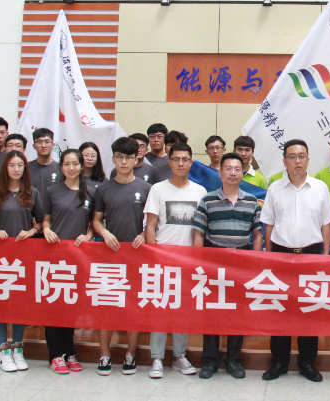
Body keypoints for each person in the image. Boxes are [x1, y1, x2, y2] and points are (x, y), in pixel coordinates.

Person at [260, 139, 330, 383]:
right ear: (285, 161)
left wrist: (325, 256)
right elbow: (268, 224)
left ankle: (307, 363)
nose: (297, 161)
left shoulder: (320, 187)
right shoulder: (274, 188)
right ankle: (279, 362)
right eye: (292, 156)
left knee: (309, 310)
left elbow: (326, 224)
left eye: (302, 156)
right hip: (281, 254)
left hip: (311, 254)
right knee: (279, 310)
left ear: (308, 160)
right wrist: (269, 255)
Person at [192, 153, 262, 379]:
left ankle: (233, 360)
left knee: (238, 314)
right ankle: (210, 361)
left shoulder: (252, 201)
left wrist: (255, 263)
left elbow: (257, 234)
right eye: (228, 169)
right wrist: (198, 264)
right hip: (213, 263)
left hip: (241, 263)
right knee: (211, 314)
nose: (233, 173)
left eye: (237, 169)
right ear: (220, 172)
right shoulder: (207, 200)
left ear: (243, 173)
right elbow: (199, 234)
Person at [0, 151, 44, 373]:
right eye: (12, 165)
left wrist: (32, 231)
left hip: (23, 257)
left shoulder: (32, 193)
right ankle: (3, 350)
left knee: (19, 303)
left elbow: (42, 222)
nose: (16, 169)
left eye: (20, 165)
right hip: (0, 258)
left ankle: (18, 347)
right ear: (5, 168)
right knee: (0, 302)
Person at [143, 142, 205, 379]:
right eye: (176, 159)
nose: (181, 163)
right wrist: (154, 256)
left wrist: (196, 260)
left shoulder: (199, 192)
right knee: (160, 309)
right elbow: (150, 227)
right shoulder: (158, 189)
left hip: (188, 262)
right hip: (162, 261)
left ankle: (179, 356)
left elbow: (200, 230)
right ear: (169, 162)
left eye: (185, 159)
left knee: (182, 311)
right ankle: (157, 358)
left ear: (191, 162)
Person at [91, 137, 152, 376]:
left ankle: (130, 354)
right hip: (109, 257)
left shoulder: (146, 189)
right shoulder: (103, 189)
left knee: (133, 307)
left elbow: (152, 223)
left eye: (128, 157)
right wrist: (105, 233)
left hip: (137, 257)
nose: (124, 162)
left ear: (136, 159)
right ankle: (104, 355)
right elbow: (96, 220)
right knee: (106, 306)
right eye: (119, 157)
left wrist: (144, 235)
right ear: (113, 159)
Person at [41, 149, 95, 375]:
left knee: (73, 305)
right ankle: (55, 355)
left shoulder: (91, 192)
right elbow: (45, 220)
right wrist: (46, 230)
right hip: (55, 257)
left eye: (75, 164)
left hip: (78, 258)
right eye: (67, 164)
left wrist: (88, 236)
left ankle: (68, 352)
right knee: (54, 305)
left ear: (81, 166)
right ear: (61, 167)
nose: (71, 168)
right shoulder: (52, 191)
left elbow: (94, 224)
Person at [29, 128, 64, 194]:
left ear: (53, 145)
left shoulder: (61, 169)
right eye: (39, 142)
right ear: (34, 146)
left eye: (47, 142)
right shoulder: (27, 168)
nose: (43, 146)